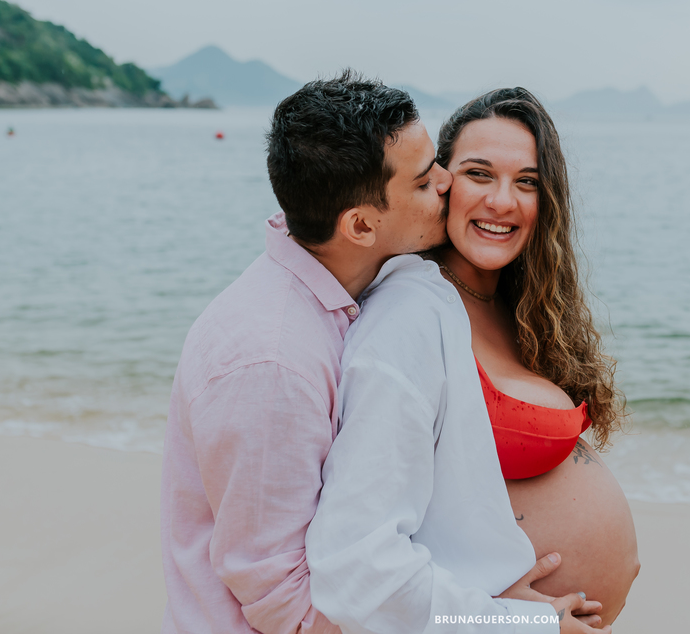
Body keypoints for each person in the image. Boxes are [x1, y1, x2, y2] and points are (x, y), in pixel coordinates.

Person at [160, 71, 453, 634]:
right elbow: (283, 603)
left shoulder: (337, 285)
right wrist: (490, 619)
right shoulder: (270, 363)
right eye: (423, 181)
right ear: (361, 224)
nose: (447, 182)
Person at [431, 88, 639, 623]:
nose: (504, 201)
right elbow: (374, 533)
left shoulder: (526, 308)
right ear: (439, 182)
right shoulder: (415, 310)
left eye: (527, 181)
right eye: (479, 174)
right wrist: (493, 614)